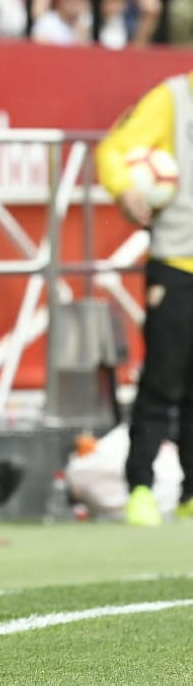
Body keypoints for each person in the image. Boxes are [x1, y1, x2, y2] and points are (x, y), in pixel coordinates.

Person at [96, 69, 193, 526]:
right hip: (177, 261)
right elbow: (115, 147)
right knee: (161, 381)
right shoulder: (174, 97)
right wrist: (125, 186)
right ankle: (141, 487)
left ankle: (192, 494)